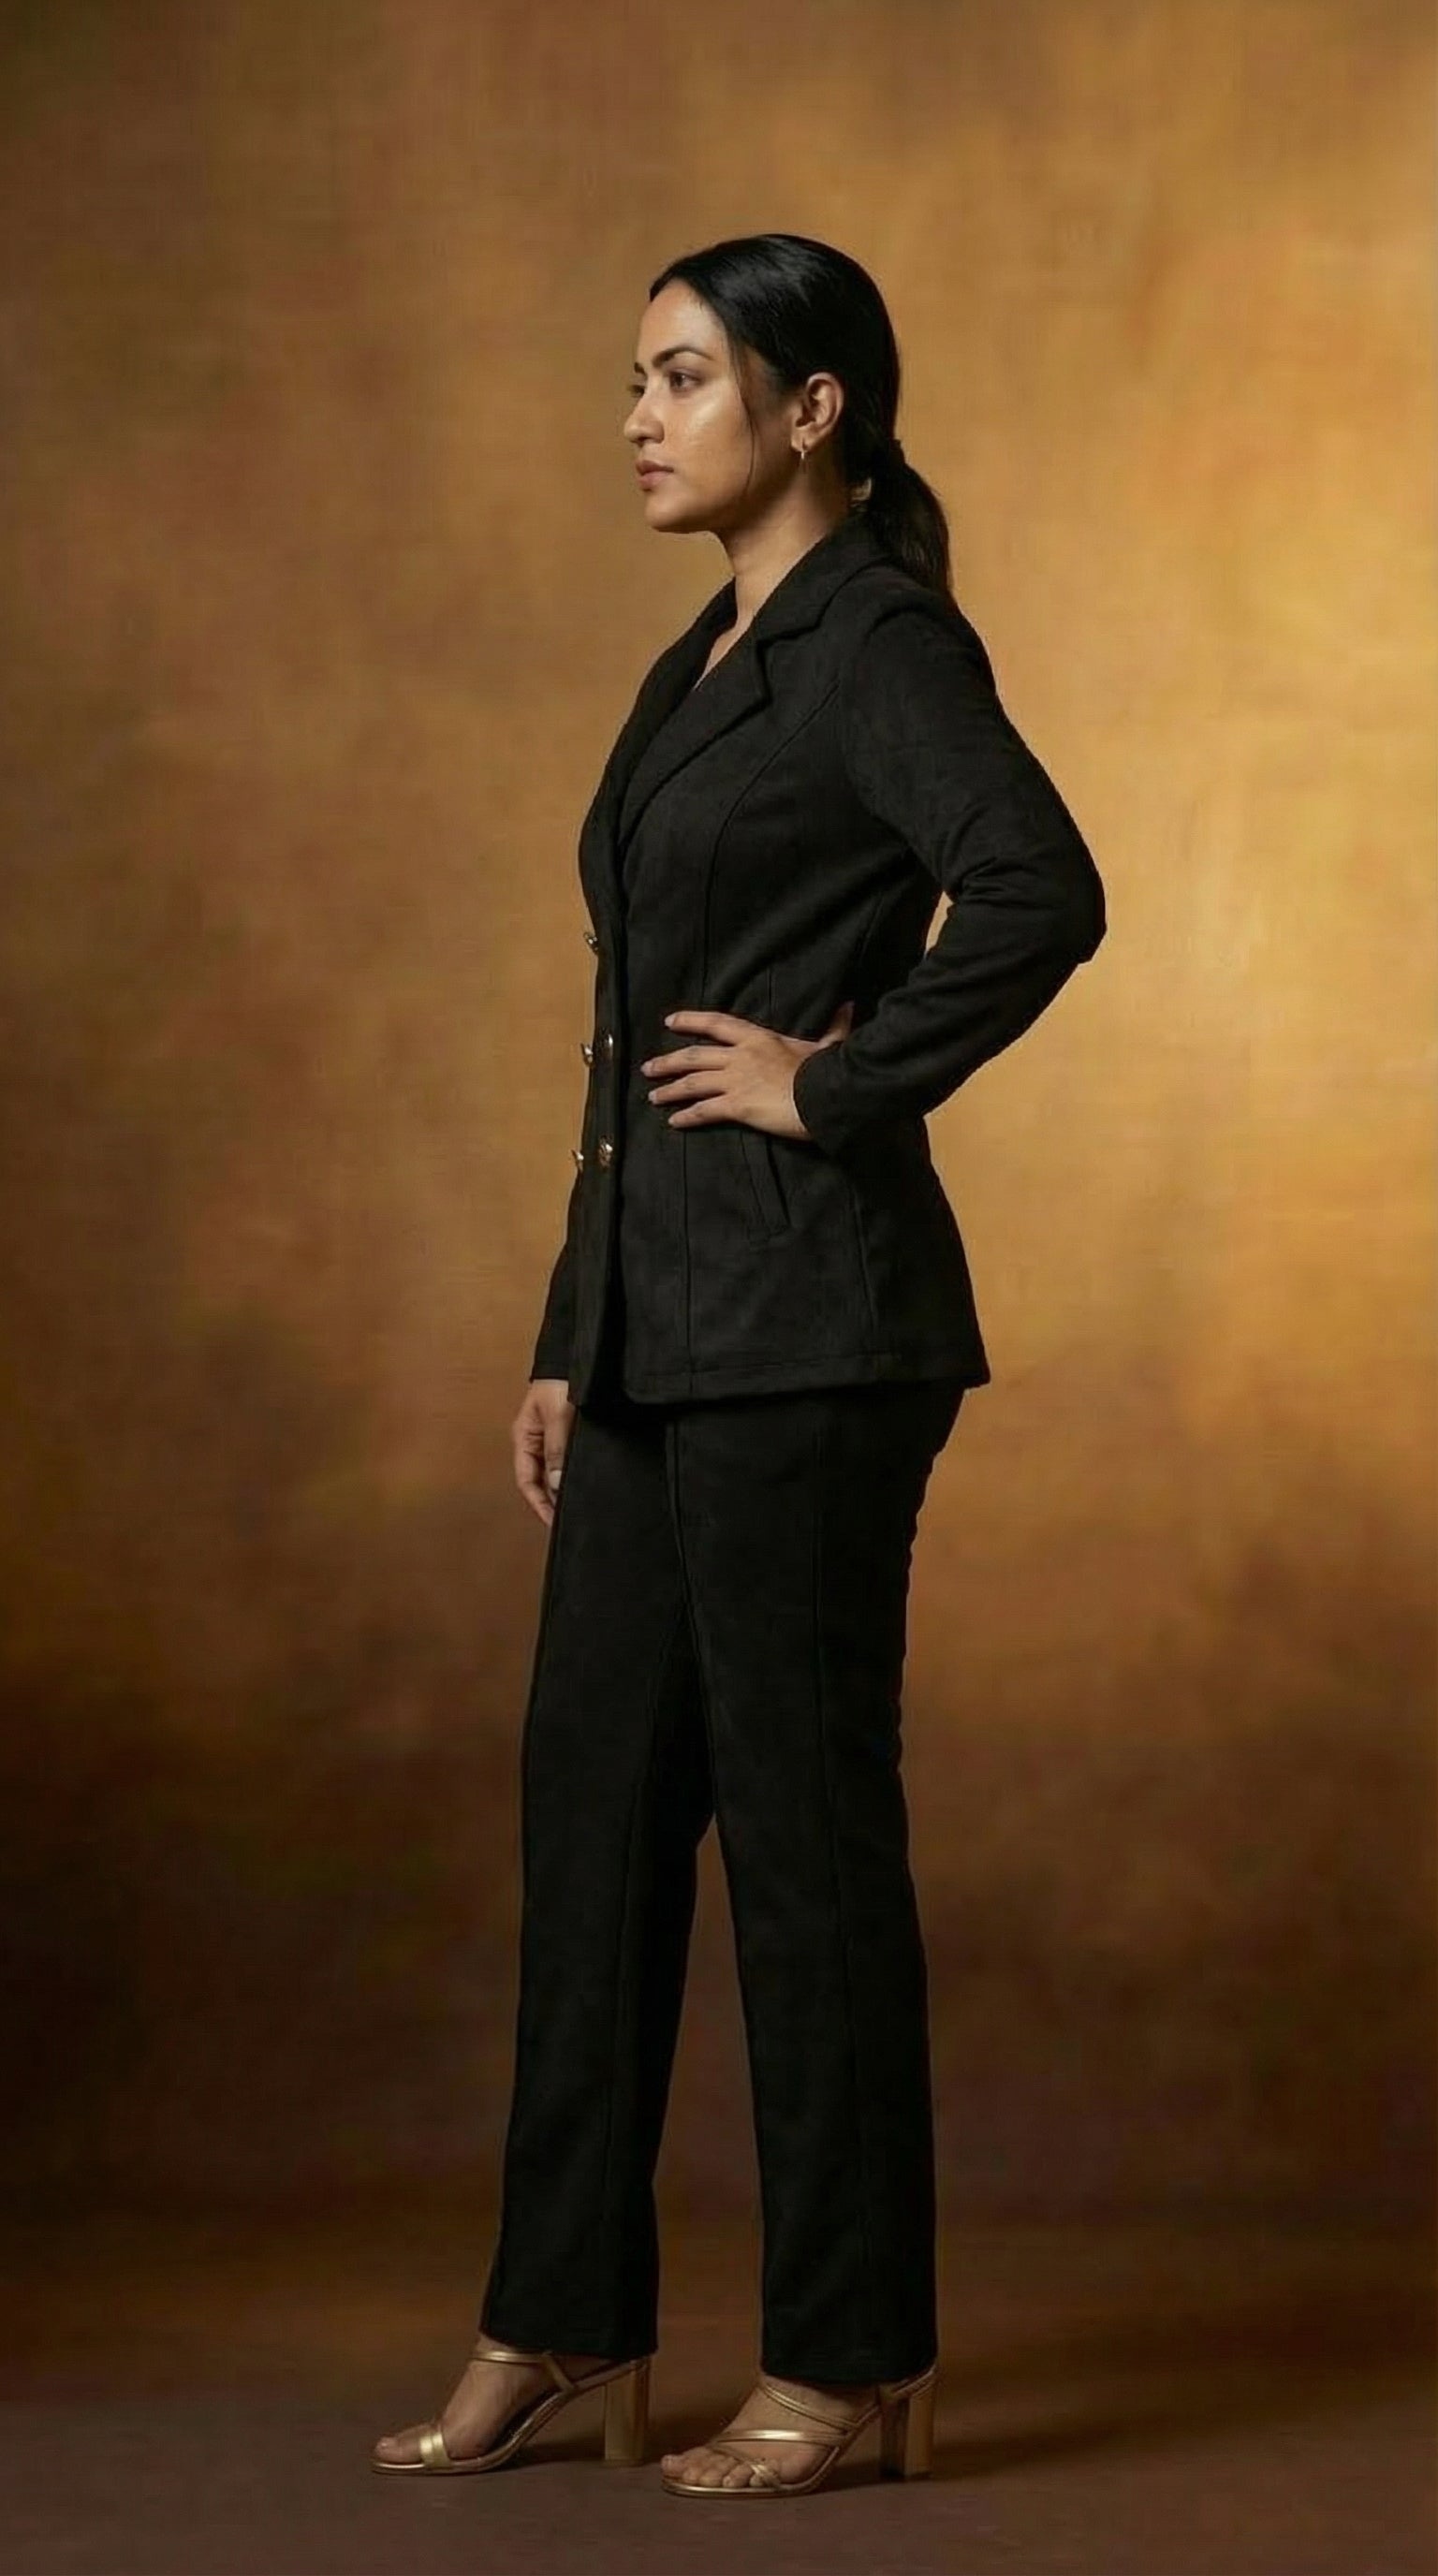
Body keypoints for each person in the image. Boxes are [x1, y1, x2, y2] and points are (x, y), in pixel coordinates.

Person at [372, 230, 1106, 2501]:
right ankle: (561, 2313)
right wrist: (567, 1336)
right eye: (634, 377)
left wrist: (837, 1083)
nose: (639, 416)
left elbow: (1041, 888)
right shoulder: (704, 653)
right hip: (656, 1336)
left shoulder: (876, 636)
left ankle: (852, 2359)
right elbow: (629, 1042)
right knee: (591, 1817)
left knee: (801, 1840)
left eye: (684, 376)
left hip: (810, 1332)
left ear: (815, 408)